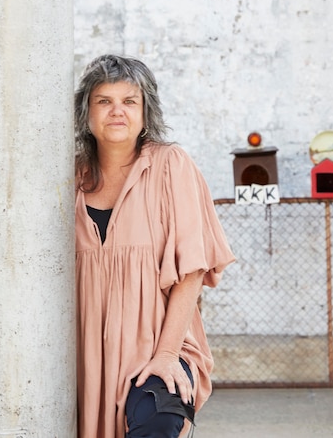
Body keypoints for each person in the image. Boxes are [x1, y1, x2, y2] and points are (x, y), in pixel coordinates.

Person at [74, 54, 235, 438]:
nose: (117, 111)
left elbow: (192, 271)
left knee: (158, 423)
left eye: (130, 101)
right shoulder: (68, 176)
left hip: (159, 345)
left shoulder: (170, 166)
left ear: (146, 113)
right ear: (87, 113)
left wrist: (165, 356)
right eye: (104, 101)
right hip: (87, 356)